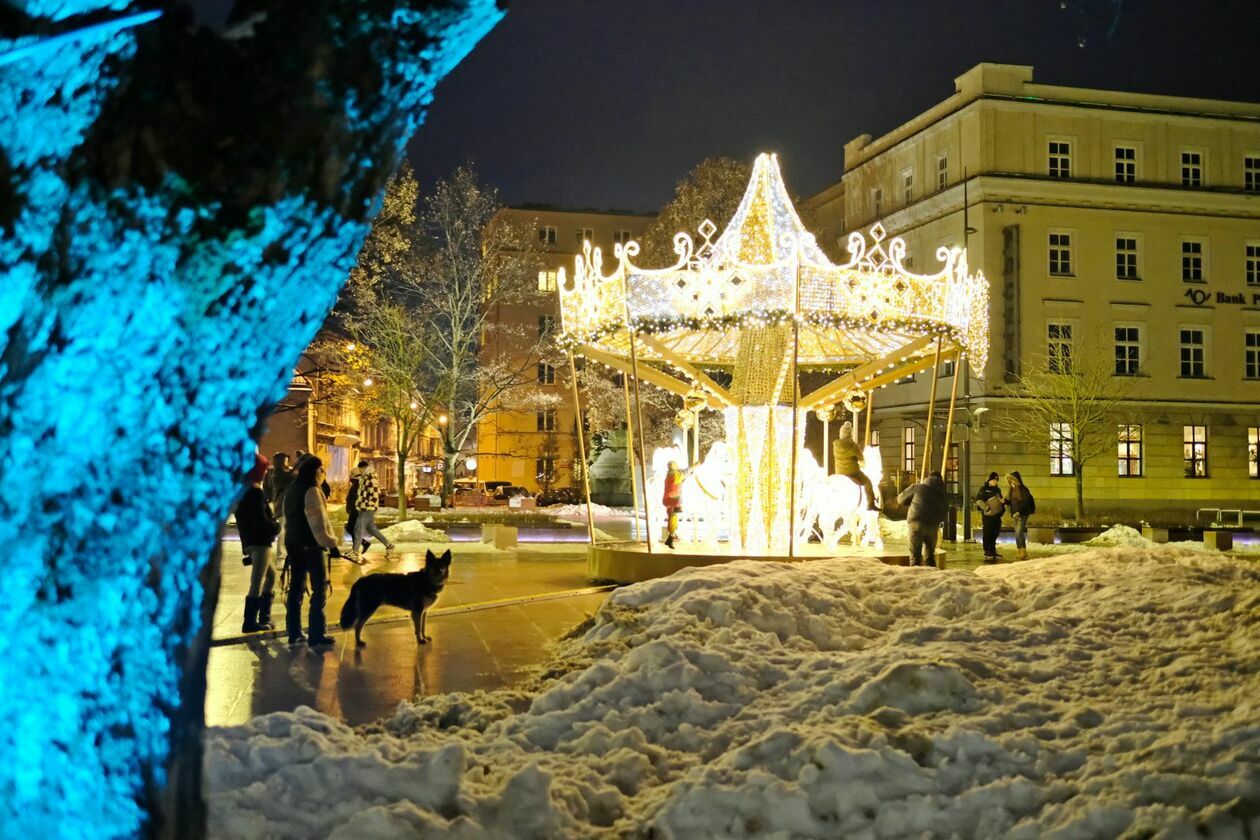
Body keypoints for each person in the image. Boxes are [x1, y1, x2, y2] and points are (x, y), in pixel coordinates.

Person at [282, 455, 342, 646]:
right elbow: (319, 523)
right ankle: (317, 633)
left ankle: (294, 631)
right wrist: (332, 545)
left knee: (296, 588)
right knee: (319, 589)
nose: (322, 473)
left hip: (293, 543)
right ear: (314, 471)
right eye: (321, 469)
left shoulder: (292, 489)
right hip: (310, 545)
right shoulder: (312, 491)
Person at [237, 452, 280, 631]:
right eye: (263, 470)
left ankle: (264, 617)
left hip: (251, 541)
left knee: (271, 576)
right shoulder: (255, 492)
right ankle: (251, 622)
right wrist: (275, 526)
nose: (265, 473)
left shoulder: (242, 491)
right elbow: (261, 521)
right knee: (258, 581)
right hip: (260, 542)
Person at [897, 470, 948, 567]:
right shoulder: (943, 495)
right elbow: (945, 511)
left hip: (916, 524)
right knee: (929, 558)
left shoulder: (918, 487)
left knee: (915, 557)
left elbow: (900, 499)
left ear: (928, 477)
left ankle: (915, 579)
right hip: (933, 527)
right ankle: (932, 579)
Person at [832, 421, 879, 511]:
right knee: (868, 483)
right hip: (853, 473)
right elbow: (861, 460)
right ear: (850, 434)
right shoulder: (854, 446)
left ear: (841, 434)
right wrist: (862, 464)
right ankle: (871, 504)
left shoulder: (835, 445)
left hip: (839, 472)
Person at [354, 461, 396, 558]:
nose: (359, 471)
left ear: (364, 468)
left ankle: (355, 551)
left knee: (358, 528)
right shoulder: (364, 477)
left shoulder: (370, 477)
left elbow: (374, 494)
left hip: (367, 508)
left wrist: (369, 505)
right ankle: (389, 545)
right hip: (363, 507)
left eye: (360, 469)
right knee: (371, 529)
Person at [264, 452, 294, 562]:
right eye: (285, 461)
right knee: (283, 531)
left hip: (283, 504)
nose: (287, 463)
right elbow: (291, 475)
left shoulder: (274, 472)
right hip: (282, 505)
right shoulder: (278, 473)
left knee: (285, 530)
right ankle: (281, 558)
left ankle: (284, 556)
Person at [662, 460, 693, 549]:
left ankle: (670, 539)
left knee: (672, 518)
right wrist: (695, 466)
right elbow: (685, 472)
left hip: (667, 500)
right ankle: (678, 507)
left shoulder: (668, 477)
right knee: (673, 517)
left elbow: (681, 479)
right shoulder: (676, 476)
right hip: (673, 499)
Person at [974, 471, 1005, 562]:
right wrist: (986, 508)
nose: (995, 482)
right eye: (993, 480)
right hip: (988, 515)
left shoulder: (998, 490)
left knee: (995, 532)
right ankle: (987, 550)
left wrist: (1002, 506)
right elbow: (978, 500)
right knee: (988, 532)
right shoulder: (984, 489)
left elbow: (1000, 500)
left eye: (996, 480)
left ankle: (992, 549)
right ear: (989, 480)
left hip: (997, 515)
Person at [1005, 471, 1036, 561]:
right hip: (1014, 514)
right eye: (1009, 480)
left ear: (1016, 479)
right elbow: (1011, 502)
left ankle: (1023, 551)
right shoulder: (1011, 489)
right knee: (1016, 533)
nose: (1011, 481)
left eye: (1012, 479)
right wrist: (1005, 502)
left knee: (1019, 532)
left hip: (1023, 513)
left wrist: (1019, 512)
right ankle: (1019, 551)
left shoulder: (1023, 489)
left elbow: (1026, 502)